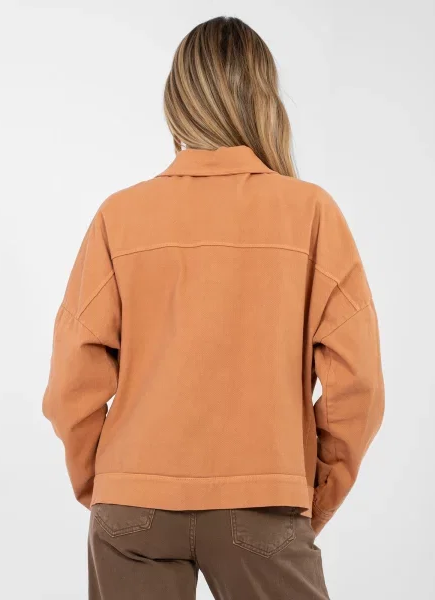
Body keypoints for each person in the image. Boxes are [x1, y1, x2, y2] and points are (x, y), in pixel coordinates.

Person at [43, 16, 384, 600]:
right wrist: (305, 496)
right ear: (264, 100)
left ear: (177, 102)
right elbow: (358, 387)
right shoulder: (311, 214)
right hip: (264, 500)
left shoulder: (120, 217)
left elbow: (72, 381)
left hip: (133, 504)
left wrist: (109, 488)